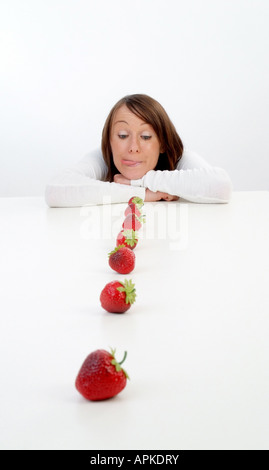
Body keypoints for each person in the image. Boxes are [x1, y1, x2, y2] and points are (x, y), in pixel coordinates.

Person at [45, 94, 232, 207]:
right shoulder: (104, 157)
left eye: (146, 137)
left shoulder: (180, 158)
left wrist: (137, 182)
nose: (133, 147)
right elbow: (55, 190)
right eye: (123, 135)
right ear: (109, 140)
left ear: (163, 143)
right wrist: (142, 193)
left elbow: (221, 186)